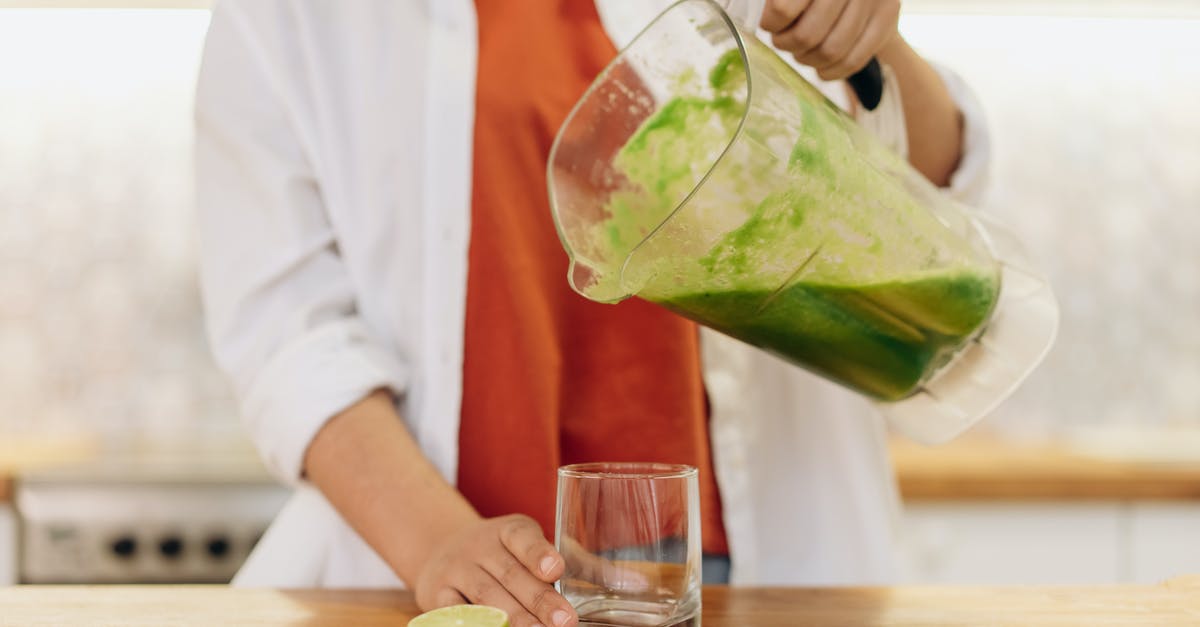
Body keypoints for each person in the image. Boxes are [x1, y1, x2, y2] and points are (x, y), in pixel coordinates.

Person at [195, 1, 989, 626]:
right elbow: (287, 336)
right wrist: (437, 541)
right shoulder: (288, 15)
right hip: (470, 586)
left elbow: (940, 188)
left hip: (753, 567)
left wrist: (869, 43)